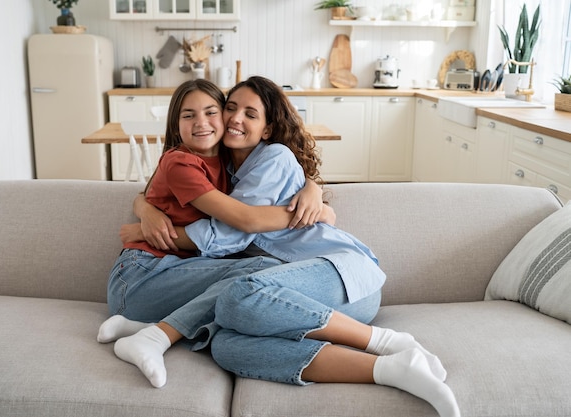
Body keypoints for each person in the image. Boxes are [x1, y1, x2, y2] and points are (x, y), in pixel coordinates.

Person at [112, 76, 460, 417]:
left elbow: (235, 230)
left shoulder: (273, 156)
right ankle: (395, 370)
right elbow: (166, 184)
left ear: (266, 128)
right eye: (231, 108)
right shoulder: (224, 173)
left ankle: (384, 342)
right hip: (291, 298)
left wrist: (316, 205)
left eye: (250, 114)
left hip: (341, 276)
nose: (235, 118)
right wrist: (144, 208)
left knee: (239, 294)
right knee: (226, 346)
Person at [97, 78, 330, 388]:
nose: (201, 122)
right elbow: (244, 220)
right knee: (263, 272)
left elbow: (147, 194)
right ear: (175, 124)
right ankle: (154, 337)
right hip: (141, 276)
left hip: (170, 277)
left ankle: (142, 326)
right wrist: (317, 215)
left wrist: (314, 189)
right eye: (188, 115)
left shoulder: (227, 163)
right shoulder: (181, 162)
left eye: (211, 112)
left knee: (253, 291)